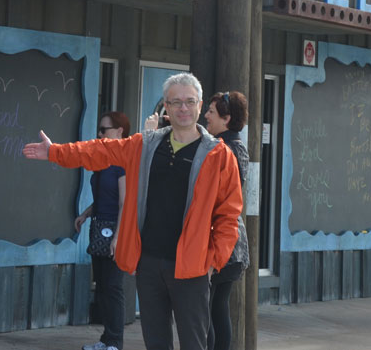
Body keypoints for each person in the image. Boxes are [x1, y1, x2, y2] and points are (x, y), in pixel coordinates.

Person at [24, 72, 242, 350]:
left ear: (200, 105)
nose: (183, 108)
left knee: (194, 344)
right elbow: (100, 151)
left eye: (190, 101)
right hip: (149, 263)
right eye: (176, 102)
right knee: (155, 343)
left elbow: (229, 215)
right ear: (166, 106)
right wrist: (55, 152)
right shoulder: (145, 145)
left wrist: (213, 262)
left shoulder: (219, 155)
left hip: (192, 267)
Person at [74, 111, 130, 350]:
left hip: (115, 230)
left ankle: (115, 341)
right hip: (98, 227)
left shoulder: (122, 162)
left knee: (114, 286)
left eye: (104, 130)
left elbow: (124, 202)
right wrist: (86, 214)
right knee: (103, 286)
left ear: (119, 132)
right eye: (99, 129)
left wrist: (118, 236)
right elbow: (103, 198)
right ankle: (107, 339)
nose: (99, 134)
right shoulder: (101, 161)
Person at [203, 92, 250, 350]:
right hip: (233, 240)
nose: (206, 116)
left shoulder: (226, 148)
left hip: (223, 237)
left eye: (211, 112)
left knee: (207, 307)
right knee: (218, 305)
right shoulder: (232, 145)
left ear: (227, 118)